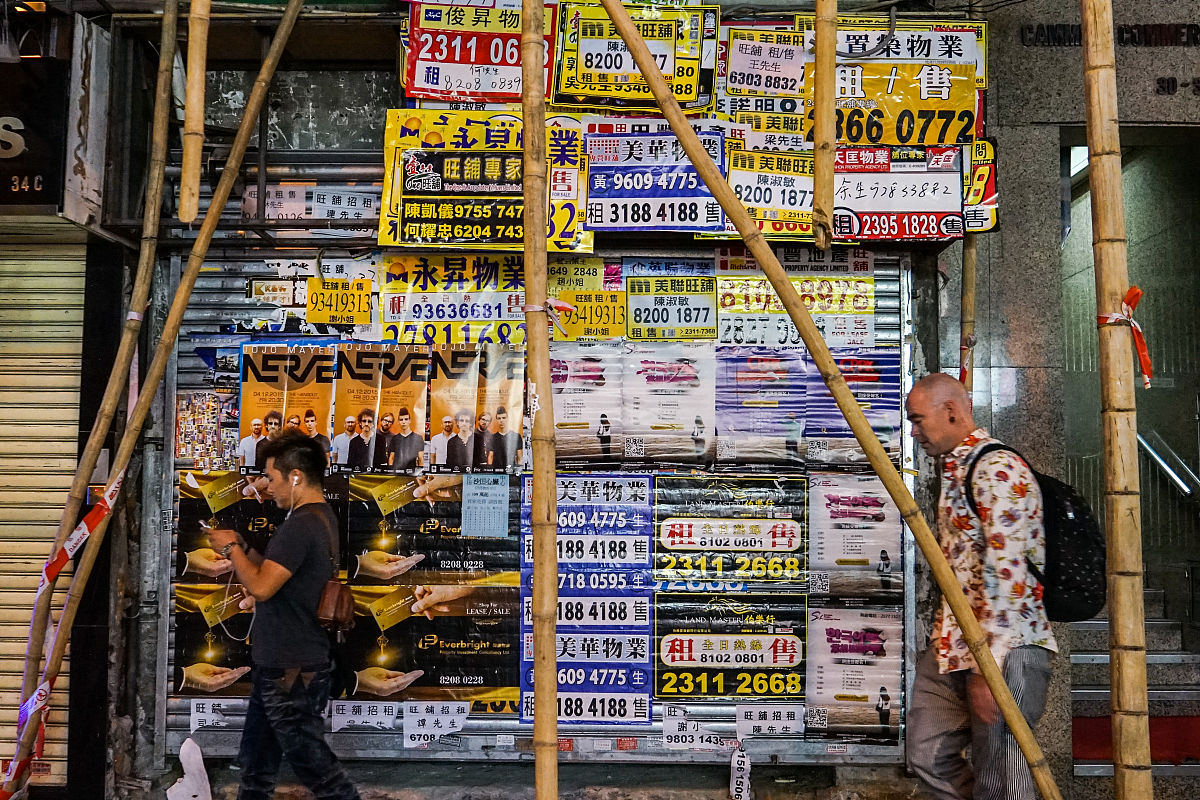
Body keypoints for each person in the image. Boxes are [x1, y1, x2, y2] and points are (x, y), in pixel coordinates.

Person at [904, 373, 1056, 800]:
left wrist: (989, 670)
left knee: (1002, 776)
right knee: (926, 752)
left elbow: (1009, 576)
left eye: (918, 420)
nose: (914, 432)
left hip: (1004, 649)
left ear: (951, 411)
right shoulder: (955, 468)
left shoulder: (998, 469)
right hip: (951, 642)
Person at [207, 430, 361, 800]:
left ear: (295, 477)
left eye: (272, 478)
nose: (266, 486)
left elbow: (261, 588)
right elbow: (275, 576)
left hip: (290, 669)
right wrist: (243, 548)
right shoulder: (320, 518)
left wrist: (229, 548)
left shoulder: (301, 525)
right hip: (279, 664)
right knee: (256, 768)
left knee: (317, 770)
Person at [387, 406, 424, 472]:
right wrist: (391, 472)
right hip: (397, 473)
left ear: (410, 421)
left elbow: (421, 458)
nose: (403, 422)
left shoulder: (418, 438)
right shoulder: (394, 438)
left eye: (406, 419)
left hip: (412, 473)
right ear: (398, 421)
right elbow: (391, 458)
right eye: (401, 420)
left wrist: (420, 473)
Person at [490, 406, 523, 471]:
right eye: (499, 418)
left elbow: (519, 458)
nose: (501, 420)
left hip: (511, 471)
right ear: (496, 420)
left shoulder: (515, 436)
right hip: (496, 472)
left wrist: (518, 472)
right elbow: (490, 457)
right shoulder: (492, 438)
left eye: (504, 418)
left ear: (508, 419)